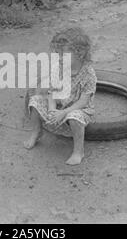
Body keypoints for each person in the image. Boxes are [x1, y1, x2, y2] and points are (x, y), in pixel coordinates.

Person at [24, 27, 97, 165]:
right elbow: (53, 92)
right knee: (34, 100)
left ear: (79, 54)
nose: (59, 58)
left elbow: (83, 101)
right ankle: (37, 132)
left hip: (79, 109)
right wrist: (52, 109)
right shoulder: (58, 68)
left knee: (74, 116)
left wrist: (63, 112)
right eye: (57, 54)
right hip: (59, 105)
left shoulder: (89, 74)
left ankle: (78, 151)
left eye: (63, 55)